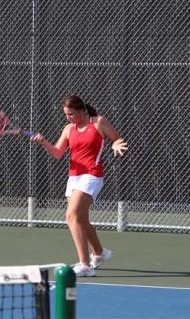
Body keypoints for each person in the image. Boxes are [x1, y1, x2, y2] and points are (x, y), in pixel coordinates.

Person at [31, 95, 128, 277]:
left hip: (92, 176)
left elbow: (116, 139)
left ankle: (85, 264)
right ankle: (99, 254)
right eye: (66, 115)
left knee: (71, 216)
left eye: (71, 114)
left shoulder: (98, 122)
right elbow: (58, 153)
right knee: (81, 220)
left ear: (82, 110)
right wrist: (43, 142)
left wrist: (115, 145)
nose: (68, 118)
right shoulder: (68, 129)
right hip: (74, 177)